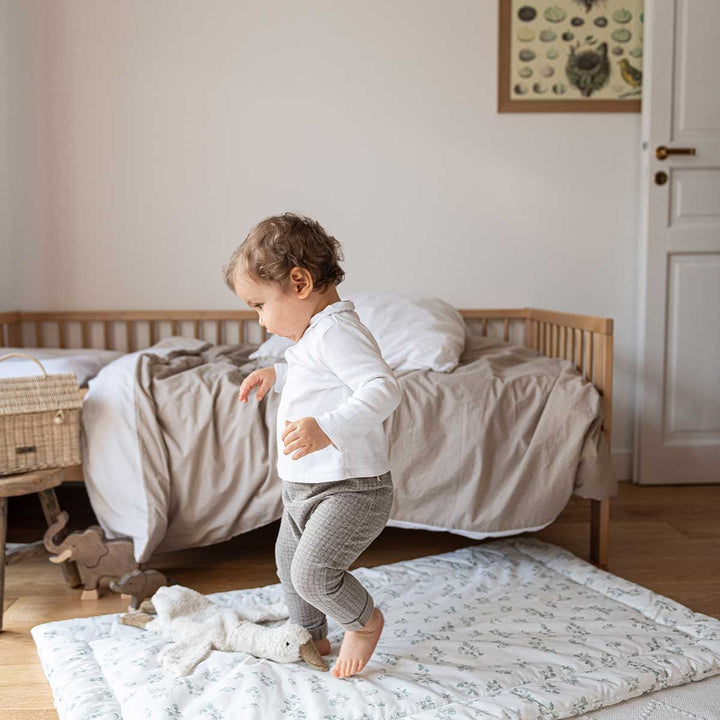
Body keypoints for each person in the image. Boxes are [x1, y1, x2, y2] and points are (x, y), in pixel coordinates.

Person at [222, 212, 402, 678]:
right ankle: (310, 633)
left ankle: (363, 622)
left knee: (313, 573)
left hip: (351, 488)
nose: (260, 321)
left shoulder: (339, 331)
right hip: (306, 486)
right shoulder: (314, 334)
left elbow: (383, 388)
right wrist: (274, 373)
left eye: (259, 305)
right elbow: (310, 373)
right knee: (288, 564)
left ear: (299, 282)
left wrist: (328, 428)